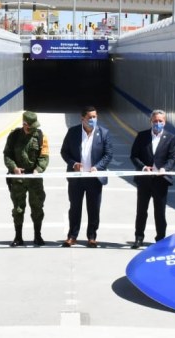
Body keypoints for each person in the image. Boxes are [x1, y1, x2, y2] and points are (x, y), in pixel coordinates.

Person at [60, 106, 113, 248]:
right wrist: (73, 164)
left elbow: (108, 154)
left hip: (94, 178)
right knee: (75, 208)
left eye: (95, 117)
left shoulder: (103, 133)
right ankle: (72, 236)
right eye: (90, 117)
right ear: (82, 118)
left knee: (94, 208)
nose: (93, 120)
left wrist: (98, 167)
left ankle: (92, 236)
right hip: (77, 178)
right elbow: (64, 152)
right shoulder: (73, 132)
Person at [130, 110, 175, 249]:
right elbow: (134, 156)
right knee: (141, 210)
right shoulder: (142, 136)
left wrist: (165, 169)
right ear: (151, 121)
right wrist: (143, 167)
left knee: (160, 212)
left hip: (161, 180)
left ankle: (160, 239)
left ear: (165, 122)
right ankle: (139, 238)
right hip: (144, 180)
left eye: (160, 121)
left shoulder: (170, 138)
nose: (157, 123)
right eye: (155, 121)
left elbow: (172, 158)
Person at [3, 111, 50, 247]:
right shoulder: (14, 136)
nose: (33, 129)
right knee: (18, 209)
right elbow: (7, 155)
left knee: (37, 208)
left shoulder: (41, 136)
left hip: (35, 178)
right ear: (24, 124)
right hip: (18, 178)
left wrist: (38, 169)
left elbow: (44, 156)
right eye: (30, 126)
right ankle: (18, 237)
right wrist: (14, 168)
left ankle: (37, 236)